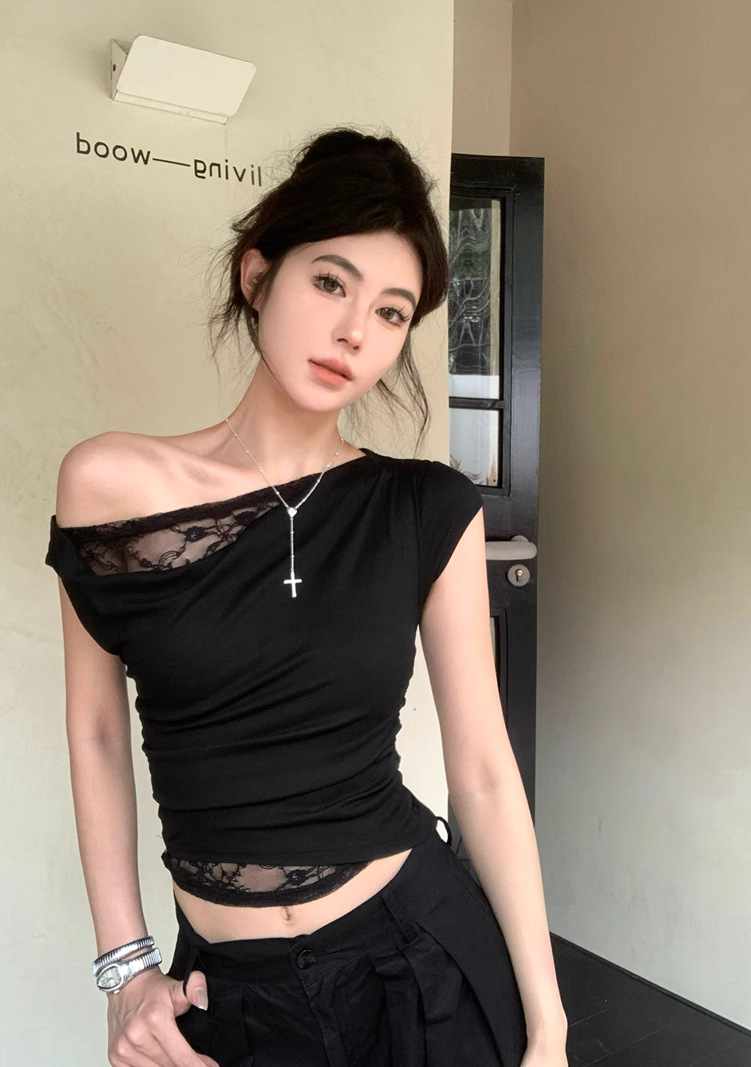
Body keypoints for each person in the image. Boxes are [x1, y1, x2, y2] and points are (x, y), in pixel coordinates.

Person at [45, 128, 568, 1067]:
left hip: (422, 960)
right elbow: (95, 731)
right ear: (258, 275)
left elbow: (485, 771)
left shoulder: (425, 506)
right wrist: (125, 967)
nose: (355, 331)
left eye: (392, 311)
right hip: (229, 993)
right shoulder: (111, 487)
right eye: (331, 283)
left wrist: (549, 1027)